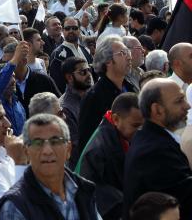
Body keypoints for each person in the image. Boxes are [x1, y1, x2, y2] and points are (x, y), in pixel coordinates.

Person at [0, 113, 101, 220]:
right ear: (27, 152)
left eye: (55, 141)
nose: (47, 151)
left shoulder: (84, 191)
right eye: (38, 143)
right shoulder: (14, 206)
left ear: (68, 149)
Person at [123, 78, 192, 219]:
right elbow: (187, 198)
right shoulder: (154, 151)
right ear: (157, 110)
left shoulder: (152, 138)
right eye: (179, 101)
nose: (188, 106)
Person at [75, 93, 144, 220]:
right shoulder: (101, 149)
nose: (140, 131)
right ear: (116, 119)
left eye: (142, 126)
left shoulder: (116, 134)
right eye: (135, 126)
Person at [78, 35, 134, 155]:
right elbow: (88, 143)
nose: (129, 57)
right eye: (123, 53)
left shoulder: (130, 88)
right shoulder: (94, 97)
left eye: (128, 51)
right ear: (108, 61)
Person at [0, 42, 29, 135]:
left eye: (13, 76)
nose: (13, 81)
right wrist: (16, 58)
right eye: (8, 78)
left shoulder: (18, 104)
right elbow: (1, 81)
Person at [59, 57, 93, 168]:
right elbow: (76, 147)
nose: (88, 75)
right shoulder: (65, 108)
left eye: (89, 70)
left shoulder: (93, 96)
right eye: (83, 72)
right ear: (69, 77)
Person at [49, 17, 93, 93]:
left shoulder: (85, 50)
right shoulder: (58, 55)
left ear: (79, 30)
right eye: (67, 28)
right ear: (62, 30)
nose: (71, 31)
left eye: (74, 28)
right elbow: (57, 85)